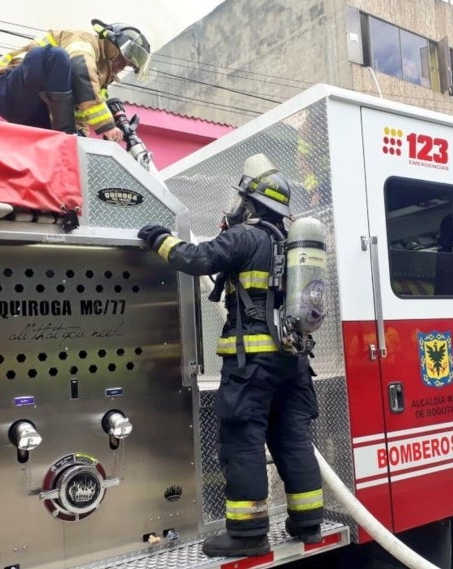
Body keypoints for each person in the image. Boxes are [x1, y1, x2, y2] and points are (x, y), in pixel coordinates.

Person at [137, 154, 324, 558]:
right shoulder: (288, 242)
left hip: (252, 366)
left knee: (242, 442)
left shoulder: (247, 236)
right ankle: (308, 524)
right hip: (293, 363)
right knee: (292, 439)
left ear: (252, 202)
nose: (237, 206)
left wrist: (158, 239)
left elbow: (195, 259)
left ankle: (247, 534)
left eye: (242, 200)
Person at [0, 19, 150, 139]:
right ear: (112, 41)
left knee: (77, 135)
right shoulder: (83, 40)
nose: (123, 66)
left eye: (128, 65)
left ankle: (67, 138)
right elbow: (81, 71)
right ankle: (67, 135)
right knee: (55, 56)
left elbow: (85, 109)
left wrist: (82, 139)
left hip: (38, 112)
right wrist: (107, 125)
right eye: (123, 60)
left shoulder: (102, 77)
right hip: (8, 90)